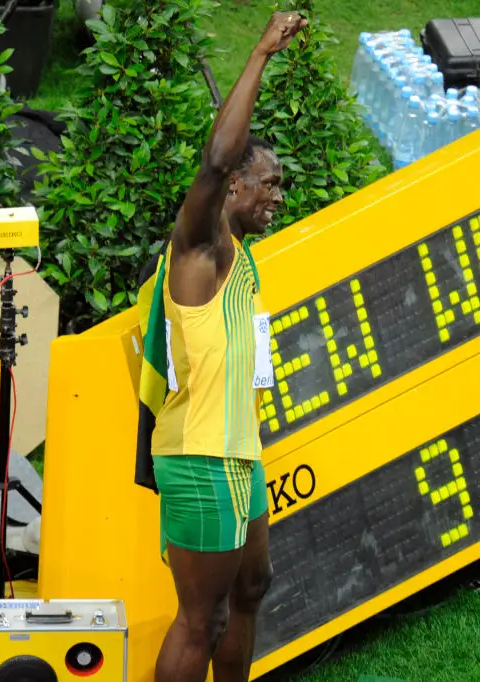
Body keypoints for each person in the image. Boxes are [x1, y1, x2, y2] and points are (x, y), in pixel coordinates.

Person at [141, 10, 305, 682]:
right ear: (230, 188)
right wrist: (262, 52)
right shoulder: (199, 250)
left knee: (251, 590)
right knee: (198, 620)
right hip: (203, 460)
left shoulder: (243, 256)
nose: (277, 197)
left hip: (240, 455)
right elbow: (213, 157)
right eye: (267, 184)